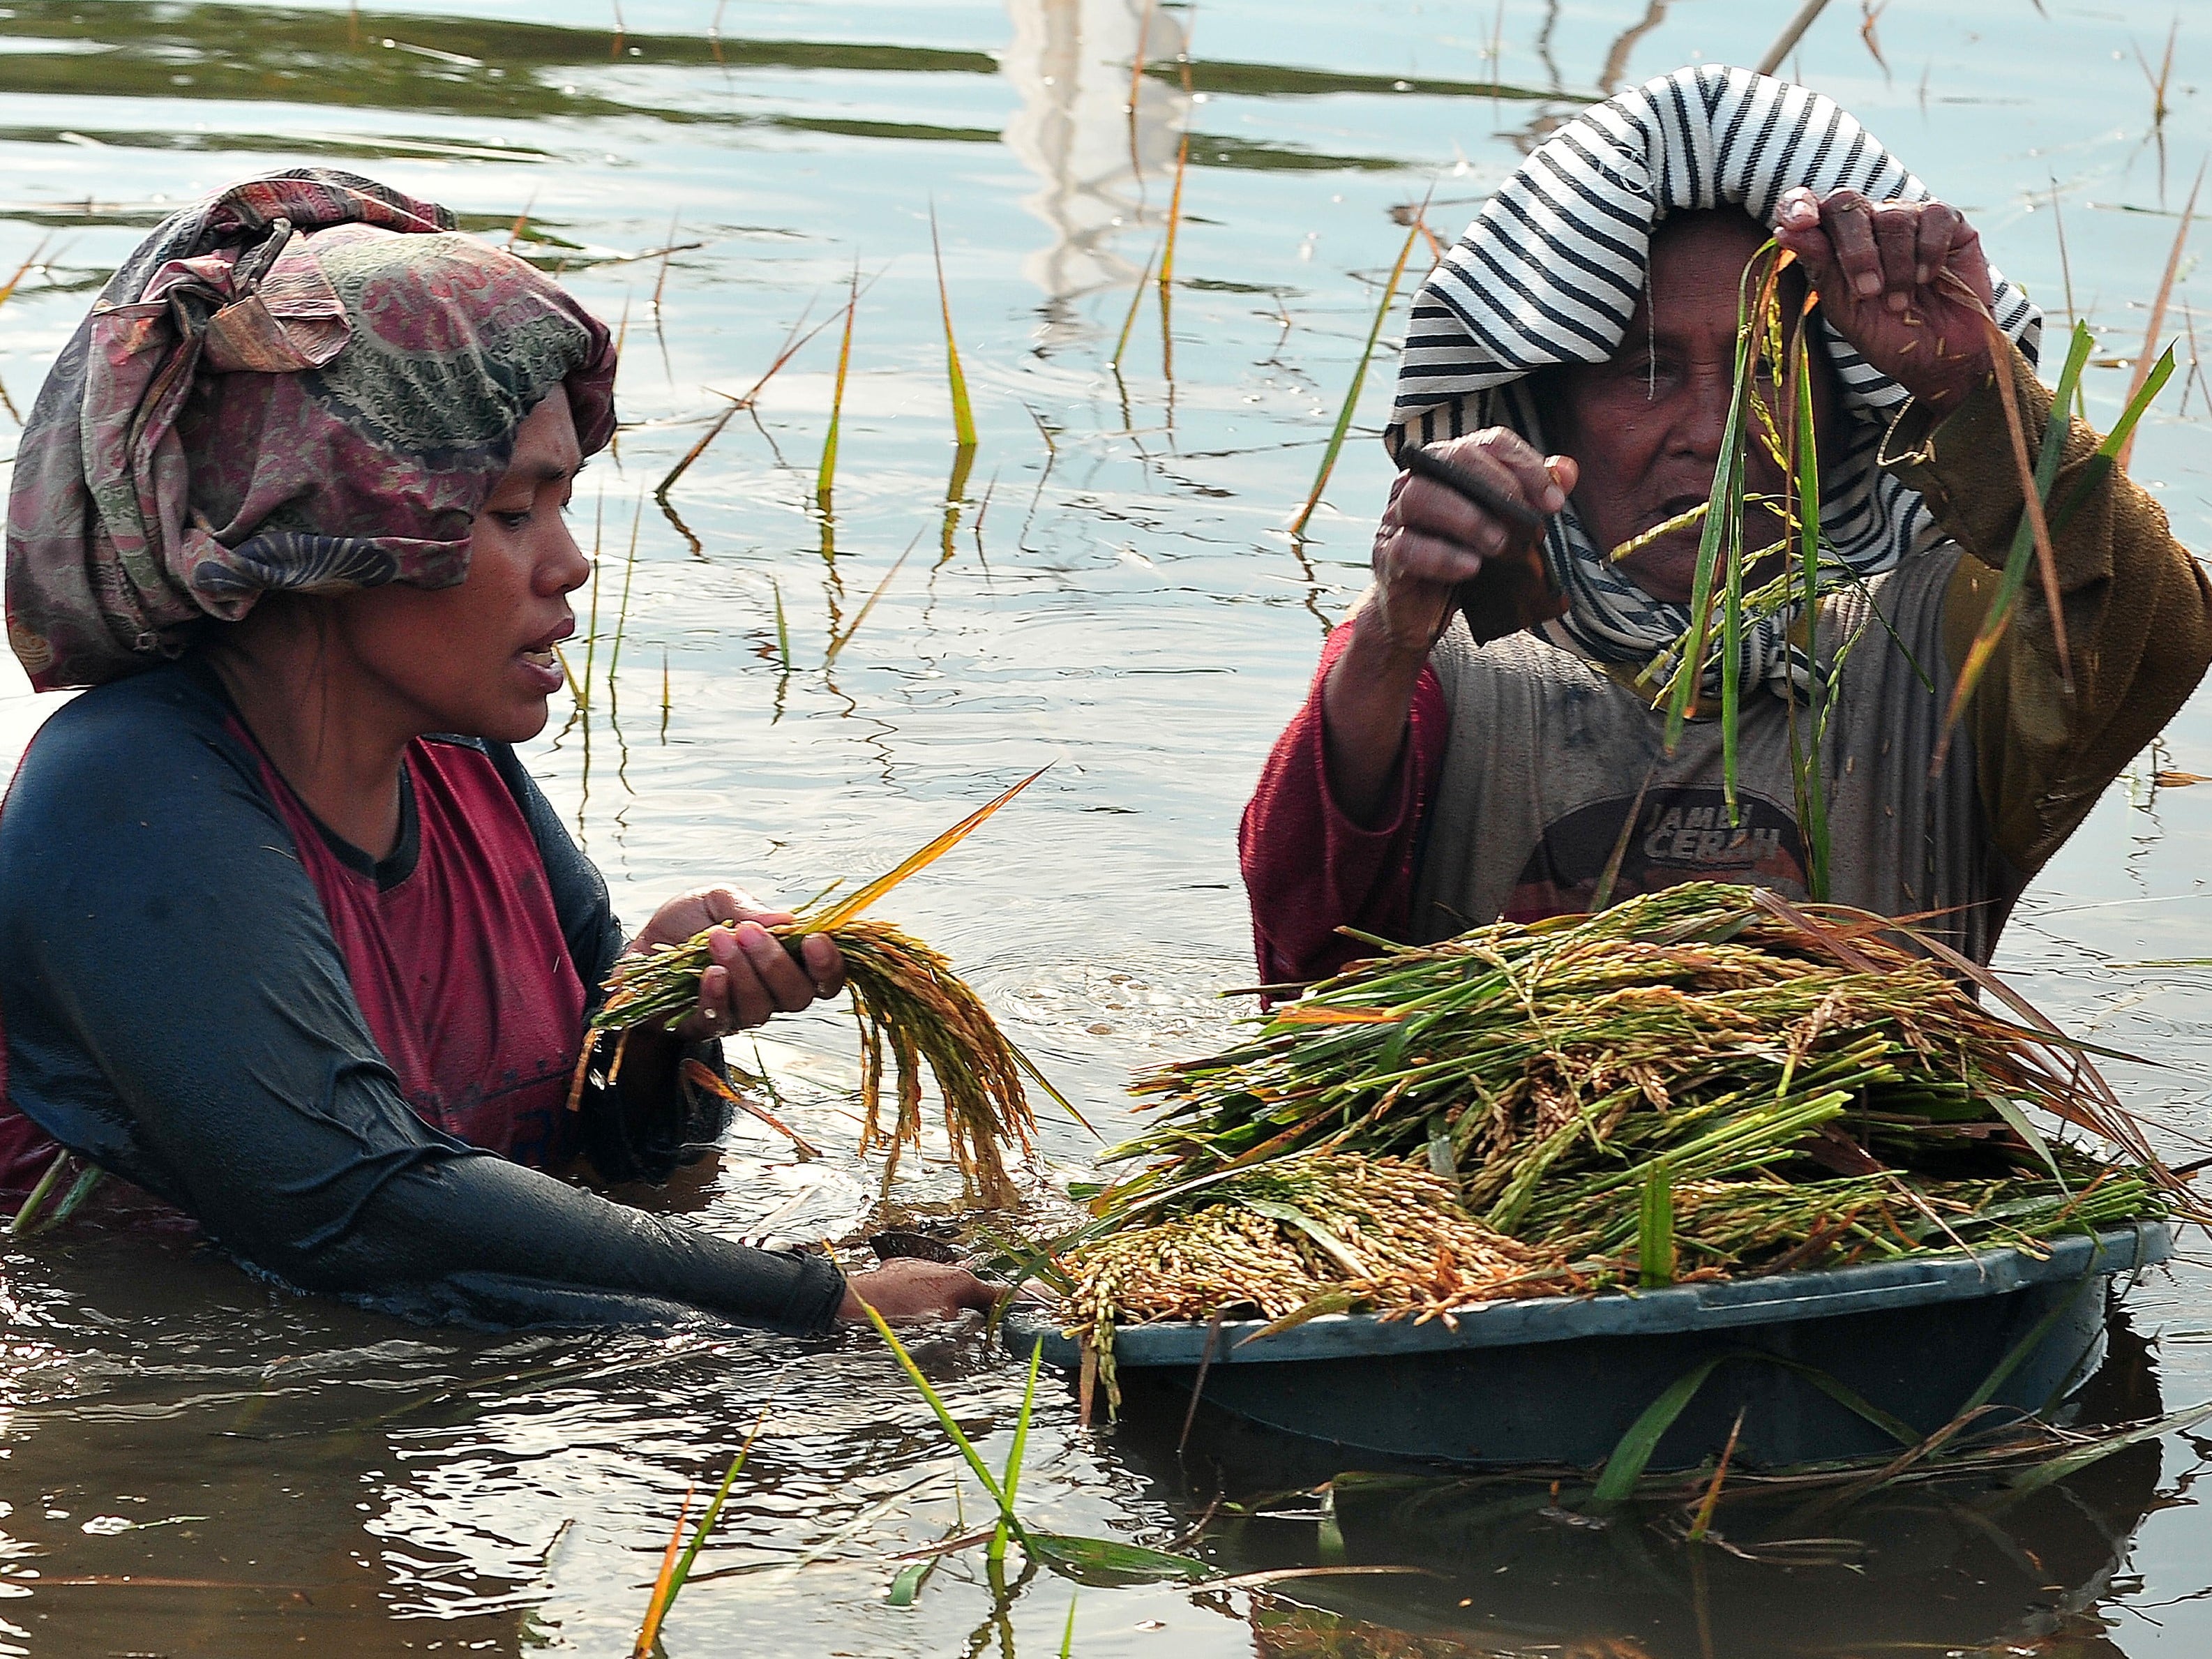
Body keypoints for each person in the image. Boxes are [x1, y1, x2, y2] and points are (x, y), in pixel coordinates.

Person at [0, 170, 995, 1330]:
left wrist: (655, 1021)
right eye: (516, 512)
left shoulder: (463, 771)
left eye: (564, 506)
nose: (569, 565)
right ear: (348, 524)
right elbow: (352, 1204)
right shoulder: (126, 790)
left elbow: (594, 1159)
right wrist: (822, 1305)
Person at [1242, 66, 2212, 984]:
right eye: (1647, 372)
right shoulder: (1443, 661)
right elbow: (1298, 931)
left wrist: (1969, 384)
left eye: (1771, 371)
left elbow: (2149, 629)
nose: (1714, 433)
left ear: (1839, 415)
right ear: (1554, 410)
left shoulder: (1942, 643)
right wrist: (1391, 630)